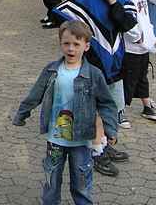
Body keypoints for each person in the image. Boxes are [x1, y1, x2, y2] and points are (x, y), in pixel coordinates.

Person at [12, 21, 118, 204]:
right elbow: (35, 94)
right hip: (55, 138)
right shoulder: (52, 70)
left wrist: (110, 129)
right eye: (66, 43)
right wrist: (22, 113)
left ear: (86, 46)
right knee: (51, 180)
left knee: (81, 181)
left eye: (76, 44)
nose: (71, 49)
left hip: (82, 139)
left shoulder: (93, 74)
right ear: (60, 43)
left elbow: (106, 103)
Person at [53, 0, 137, 176]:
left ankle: (106, 144)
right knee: (94, 111)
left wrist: (111, 1)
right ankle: (96, 151)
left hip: (116, 63)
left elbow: (127, 23)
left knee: (113, 107)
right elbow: (59, 16)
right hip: (93, 65)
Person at [114, 0, 156, 123]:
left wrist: (148, 35)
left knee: (142, 74)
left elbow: (144, 14)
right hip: (131, 44)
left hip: (142, 42)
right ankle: (119, 111)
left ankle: (146, 105)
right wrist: (136, 36)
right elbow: (126, 17)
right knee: (128, 78)